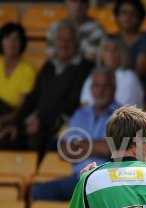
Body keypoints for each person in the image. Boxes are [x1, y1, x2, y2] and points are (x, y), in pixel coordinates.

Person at [0, 20, 93, 156]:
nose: (64, 44)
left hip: (61, 127)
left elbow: (72, 104)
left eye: (69, 40)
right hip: (37, 124)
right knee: (6, 136)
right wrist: (16, 124)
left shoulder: (85, 68)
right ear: (55, 42)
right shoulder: (49, 66)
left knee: (34, 141)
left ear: (77, 43)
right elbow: (32, 99)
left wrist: (41, 122)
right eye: (60, 39)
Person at [31, 67, 117, 201]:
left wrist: (79, 145)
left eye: (105, 86)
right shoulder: (80, 114)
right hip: (78, 179)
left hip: (107, 180)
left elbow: (112, 148)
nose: (100, 91)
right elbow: (64, 150)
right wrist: (98, 146)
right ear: (91, 89)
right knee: (37, 191)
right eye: (96, 86)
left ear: (114, 88)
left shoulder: (123, 115)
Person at [114, 0, 146, 105]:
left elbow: (139, 72)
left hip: (138, 91)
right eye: (124, 13)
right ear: (117, 16)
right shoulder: (112, 39)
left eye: (132, 14)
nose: (128, 17)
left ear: (140, 17)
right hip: (111, 88)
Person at [80, 34, 144, 108]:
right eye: (106, 49)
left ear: (122, 53)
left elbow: (123, 109)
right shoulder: (94, 76)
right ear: (101, 54)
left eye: (115, 50)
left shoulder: (129, 77)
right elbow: (84, 104)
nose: (111, 54)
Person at [0, 22, 35, 123]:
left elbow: (22, 108)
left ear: (22, 43)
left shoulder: (28, 70)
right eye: (7, 38)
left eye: (16, 39)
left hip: (11, 115)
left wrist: (3, 120)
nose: (11, 43)